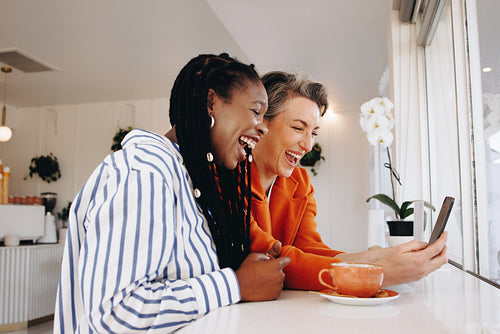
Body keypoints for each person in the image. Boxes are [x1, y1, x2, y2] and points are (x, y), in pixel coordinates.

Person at [54, 54, 290, 333]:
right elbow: (115, 315)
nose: (263, 126)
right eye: (255, 111)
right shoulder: (144, 171)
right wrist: (235, 285)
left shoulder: (188, 178)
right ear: (211, 103)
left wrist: (242, 272)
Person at [249, 71, 448, 291]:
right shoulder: (230, 177)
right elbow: (271, 260)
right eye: (298, 128)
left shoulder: (300, 181)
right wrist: (378, 273)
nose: (307, 145)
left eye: (314, 132)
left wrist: (380, 256)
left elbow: (311, 249)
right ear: (261, 123)